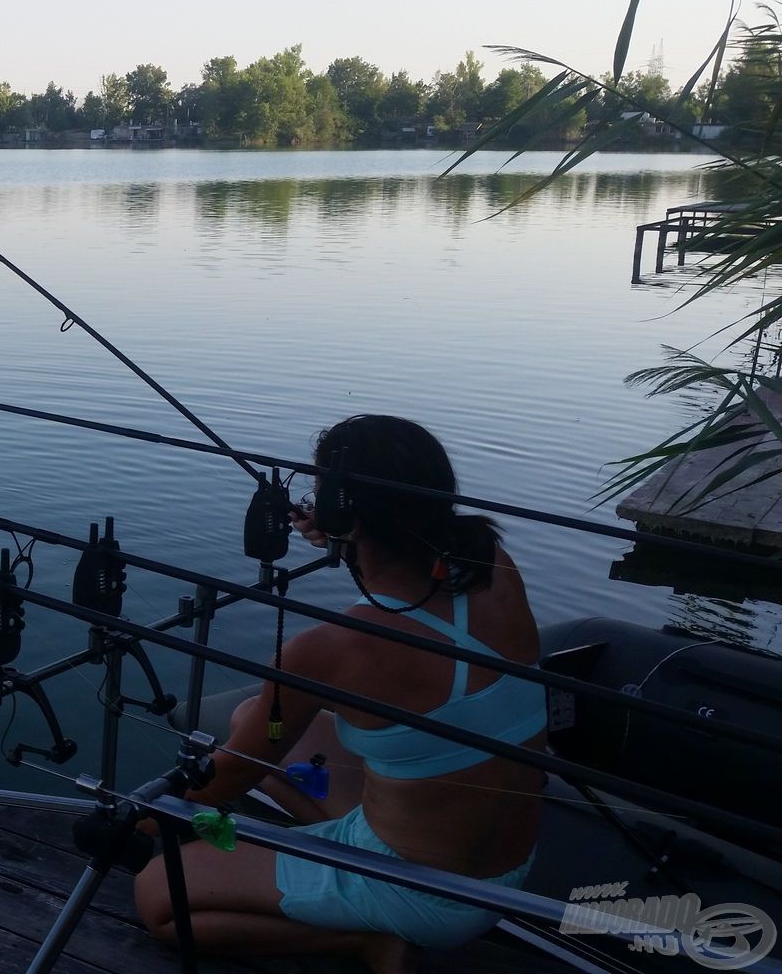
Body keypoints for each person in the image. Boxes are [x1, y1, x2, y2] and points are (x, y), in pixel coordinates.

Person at [133, 415, 548, 973]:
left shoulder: (333, 650)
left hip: (419, 892)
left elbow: (234, 774)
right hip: (507, 869)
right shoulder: (492, 565)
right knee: (258, 714)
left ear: (342, 509)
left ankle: (365, 941)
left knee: (157, 894)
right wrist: (349, 537)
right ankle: (315, 856)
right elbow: (411, 579)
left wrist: (133, 819)